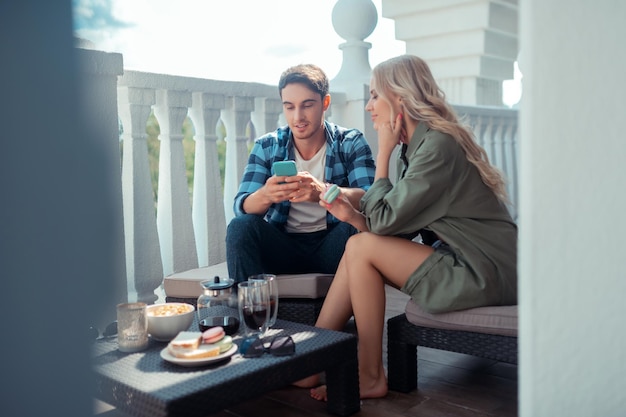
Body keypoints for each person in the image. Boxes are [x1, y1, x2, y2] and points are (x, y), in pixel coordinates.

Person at [296, 55, 518, 400]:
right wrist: (352, 216)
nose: (369, 106)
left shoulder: (436, 149)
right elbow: (393, 229)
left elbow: (384, 222)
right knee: (359, 248)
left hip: (485, 270)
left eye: (374, 96)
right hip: (477, 263)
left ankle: (365, 375)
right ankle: (312, 361)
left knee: (360, 247)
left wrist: (382, 154)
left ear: (398, 98)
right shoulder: (420, 147)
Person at [226, 64, 376, 282]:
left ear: (325, 103)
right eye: (289, 107)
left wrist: (323, 192)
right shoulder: (267, 146)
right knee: (240, 228)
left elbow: (371, 199)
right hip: (283, 246)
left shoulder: (350, 142)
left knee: (361, 229)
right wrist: (266, 195)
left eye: (307, 105)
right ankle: (248, 312)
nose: (298, 117)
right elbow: (242, 207)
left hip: (334, 245)